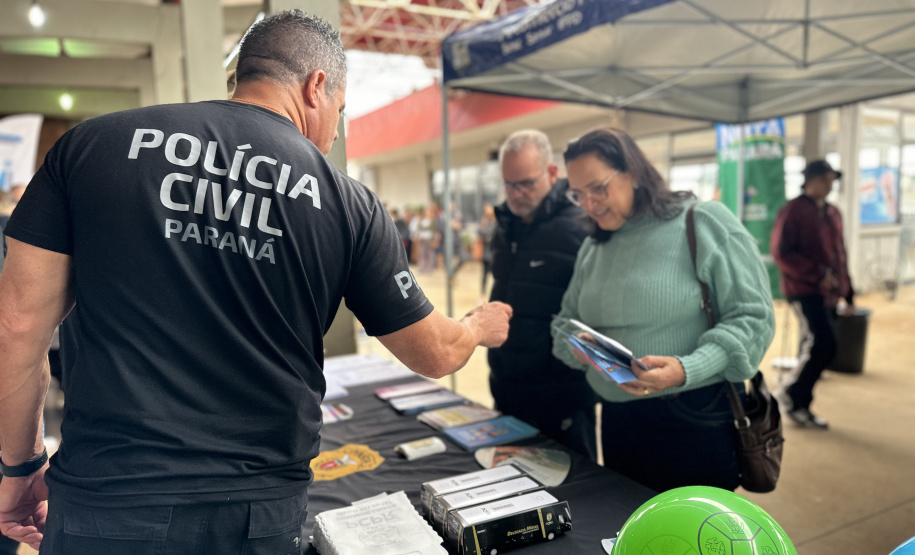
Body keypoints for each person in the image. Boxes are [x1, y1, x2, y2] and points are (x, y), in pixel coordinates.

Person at [0, 10, 512, 553]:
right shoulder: (348, 202)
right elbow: (433, 352)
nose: (335, 132)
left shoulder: (91, 147)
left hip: (107, 500)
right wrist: (478, 326)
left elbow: (16, 326)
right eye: (339, 111)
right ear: (317, 86)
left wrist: (21, 464)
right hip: (257, 512)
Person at [551, 128, 775, 492]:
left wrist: (688, 369)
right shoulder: (594, 246)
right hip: (617, 418)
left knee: (693, 538)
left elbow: (754, 317)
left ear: (634, 173)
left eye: (598, 188)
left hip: (694, 414)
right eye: (578, 194)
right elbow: (563, 323)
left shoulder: (702, 222)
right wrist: (583, 346)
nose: (589, 203)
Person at [488, 129, 596, 457]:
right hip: (507, 388)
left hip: (560, 397)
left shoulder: (580, 227)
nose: (516, 193)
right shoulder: (506, 225)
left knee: (577, 492)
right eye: (509, 184)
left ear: (552, 173)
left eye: (525, 183)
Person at [770, 160, 854, 430]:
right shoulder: (793, 211)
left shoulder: (833, 213)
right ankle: (792, 397)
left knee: (822, 345)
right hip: (804, 290)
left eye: (832, 180)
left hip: (828, 292)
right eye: (826, 179)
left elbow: (840, 254)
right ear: (810, 180)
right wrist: (817, 275)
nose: (830, 185)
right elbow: (782, 252)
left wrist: (847, 291)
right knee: (823, 343)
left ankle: (798, 400)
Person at [478, 203, 496, 296]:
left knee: (495, 275)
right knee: (484, 274)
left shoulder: (496, 221)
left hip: (495, 253)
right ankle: (483, 293)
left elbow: (493, 232)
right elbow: (481, 231)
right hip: (486, 253)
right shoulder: (485, 221)